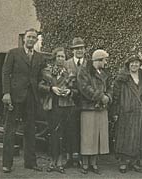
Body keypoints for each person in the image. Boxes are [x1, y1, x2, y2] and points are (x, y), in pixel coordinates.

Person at [1, 28, 45, 173]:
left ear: (36, 40)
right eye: (29, 37)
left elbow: (40, 77)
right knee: (10, 130)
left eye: (34, 37)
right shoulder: (13, 53)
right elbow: (5, 73)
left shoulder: (39, 57)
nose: (31, 39)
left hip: (31, 98)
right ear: (24, 39)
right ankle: (7, 164)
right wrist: (6, 93)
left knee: (30, 130)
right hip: (14, 97)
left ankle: (30, 162)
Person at [39, 47, 77, 173]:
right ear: (54, 58)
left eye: (63, 57)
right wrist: (51, 89)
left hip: (66, 106)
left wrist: (69, 91)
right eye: (58, 56)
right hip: (52, 105)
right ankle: (52, 161)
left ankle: (60, 162)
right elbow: (40, 86)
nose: (61, 59)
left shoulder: (70, 73)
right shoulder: (47, 71)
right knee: (52, 133)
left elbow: (76, 89)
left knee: (62, 134)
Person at [77, 49, 112, 175]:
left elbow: (109, 87)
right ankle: (85, 163)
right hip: (88, 108)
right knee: (87, 136)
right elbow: (84, 88)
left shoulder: (104, 73)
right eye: (105, 60)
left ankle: (94, 163)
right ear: (98, 60)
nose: (106, 62)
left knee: (98, 136)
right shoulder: (84, 70)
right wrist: (100, 96)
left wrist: (108, 96)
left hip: (102, 108)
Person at [112, 54, 142, 173]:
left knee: (137, 136)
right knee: (124, 136)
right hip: (125, 110)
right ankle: (123, 162)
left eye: (137, 62)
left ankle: (134, 161)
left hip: (139, 111)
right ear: (128, 64)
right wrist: (115, 112)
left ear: (140, 64)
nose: (134, 64)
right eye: (132, 63)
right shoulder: (122, 78)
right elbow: (115, 96)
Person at [63, 37, 86, 168]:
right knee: (69, 129)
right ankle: (69, 157)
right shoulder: (66, 64)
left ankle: (82, 158)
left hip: (85, 102)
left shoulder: (88, 64)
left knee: (83, 130)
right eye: (76, 48)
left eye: (81, 48)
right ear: (72, 50)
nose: (79, 51)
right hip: (69, 101)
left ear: (84, 50)